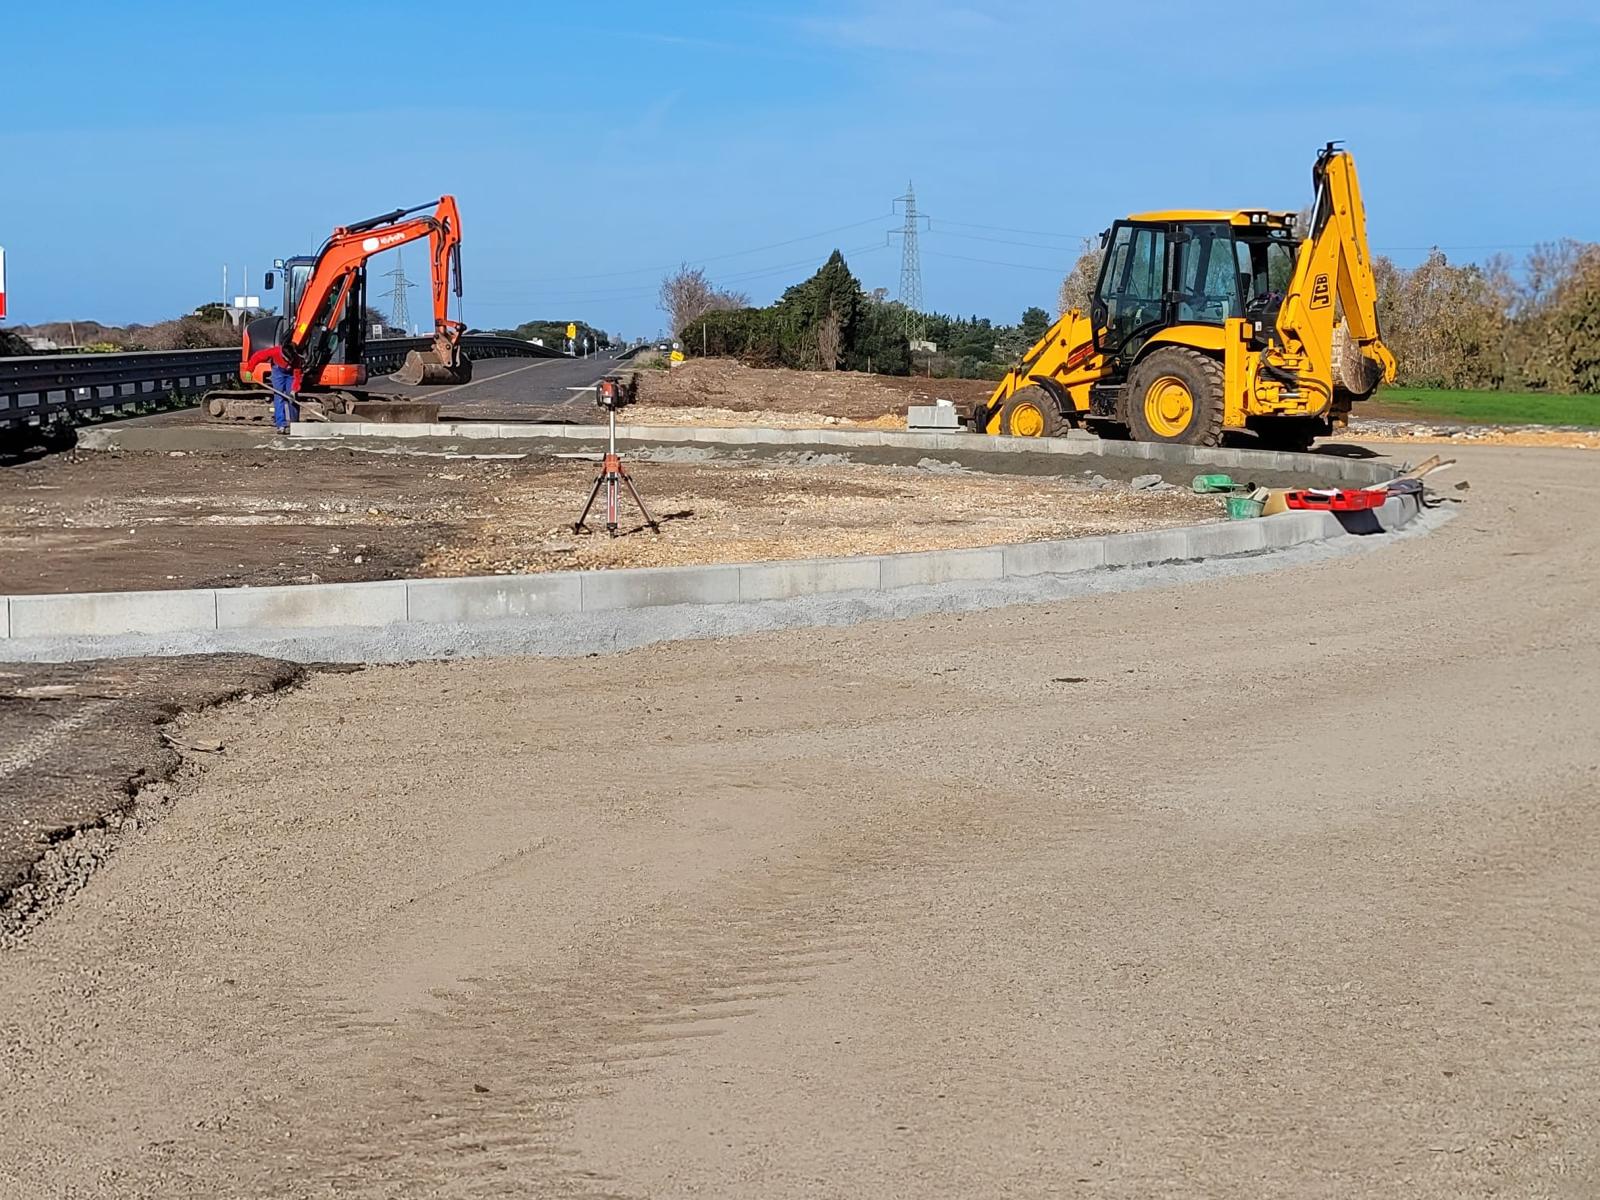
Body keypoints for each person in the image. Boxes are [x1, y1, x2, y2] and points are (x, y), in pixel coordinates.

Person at [243, 322, 301, 432]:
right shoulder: (275, 351)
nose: (289, 363)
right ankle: (281, 425)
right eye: (287, 360)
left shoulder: (296, 359)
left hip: (290, 375)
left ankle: (295, 425)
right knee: (279, 397)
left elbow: (297, 376)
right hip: (278, 372)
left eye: (291, 361)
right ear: (283, 355)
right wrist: (249, 370)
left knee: (292, 398)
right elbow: (257, 357)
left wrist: (294, 389)